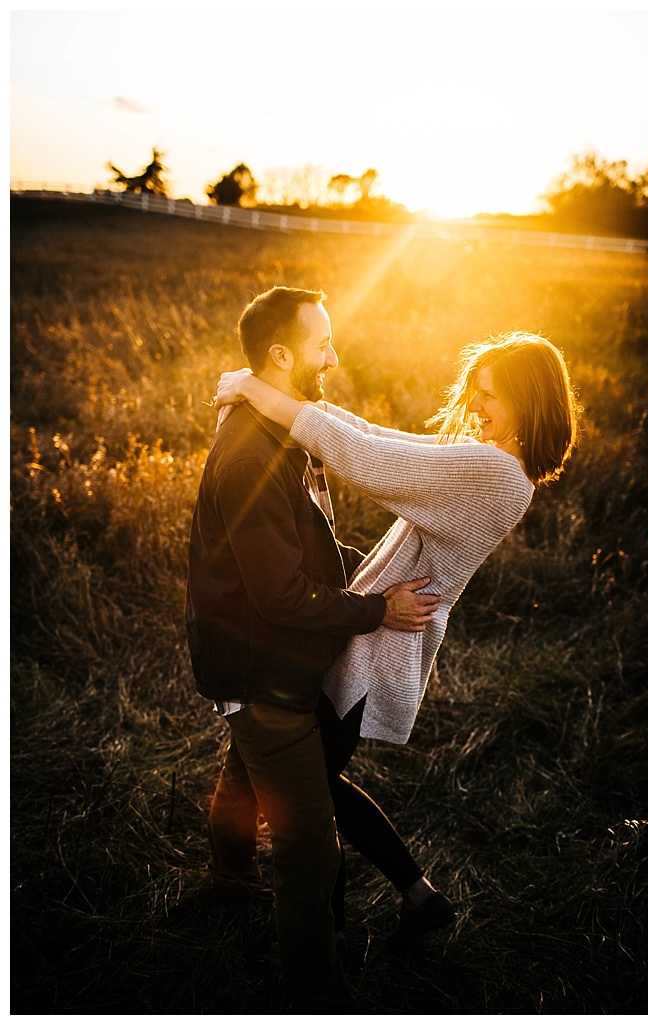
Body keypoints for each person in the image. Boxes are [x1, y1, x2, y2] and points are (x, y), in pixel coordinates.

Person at [214, 329, 579, 947]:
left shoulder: (495, 472)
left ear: (528, 400)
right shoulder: (490, 462)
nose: (474, 404)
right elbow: (386, 441)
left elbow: (368, 462)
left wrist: (250, 386)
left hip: (377, 650)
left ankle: (341, 930)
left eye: (488, 394)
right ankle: (409, 898)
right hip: (371, 637)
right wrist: (302, 406)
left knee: (308, 795)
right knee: (302, 781)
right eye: (474, 390)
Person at [185, 286, 440, 1012]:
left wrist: (369, 568)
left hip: (256, 656)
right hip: (261, 663)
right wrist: (377, 608)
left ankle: (228, 878)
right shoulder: (250, 455)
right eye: (322, 342)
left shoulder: (280, 428)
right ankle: (313, 996)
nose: (334, 354)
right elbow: (281, 596)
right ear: (281, 354)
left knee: (244, 772)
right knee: (308, 850)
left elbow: (302, 550)